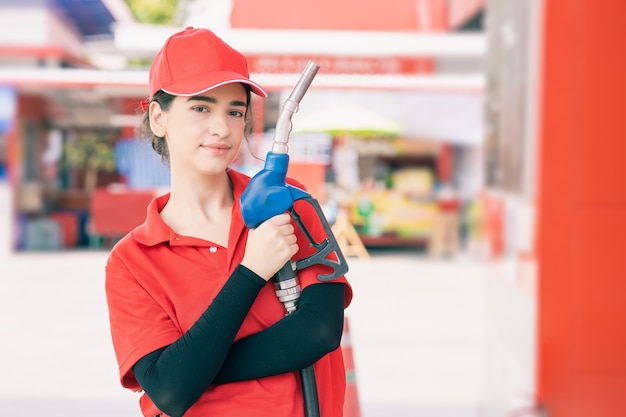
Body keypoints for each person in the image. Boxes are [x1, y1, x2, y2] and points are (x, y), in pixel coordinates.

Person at [104, 27, 353, 417]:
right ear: (158, 117)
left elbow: (318, 331)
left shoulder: (284, 203)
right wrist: (252, 271)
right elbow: (170, 393)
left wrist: (192, 369)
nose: (222, 128)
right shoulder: (133, 261)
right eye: (201, 108)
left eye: (235, 111)